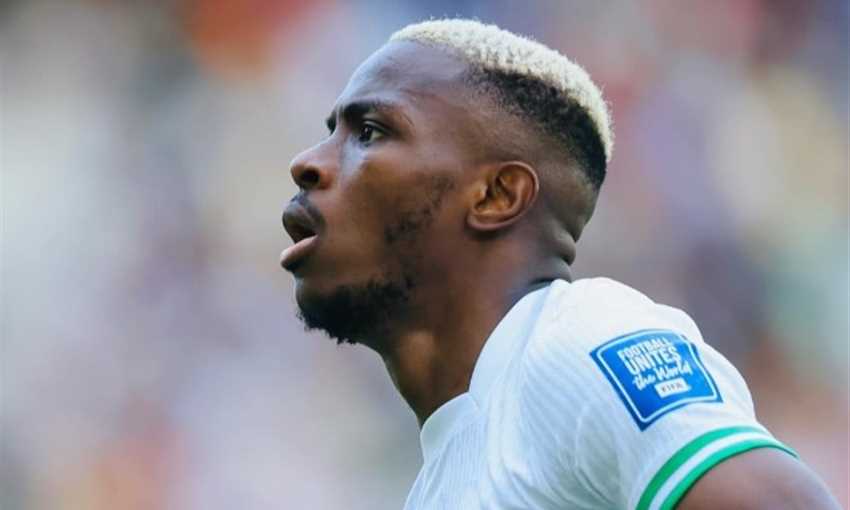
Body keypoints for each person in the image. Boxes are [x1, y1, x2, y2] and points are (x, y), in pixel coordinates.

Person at [279, 18, 840, 510]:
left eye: (369, 132)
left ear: (496, 195)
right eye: (332, 133)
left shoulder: (578, 341)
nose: (307, 162)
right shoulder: (443, 478)